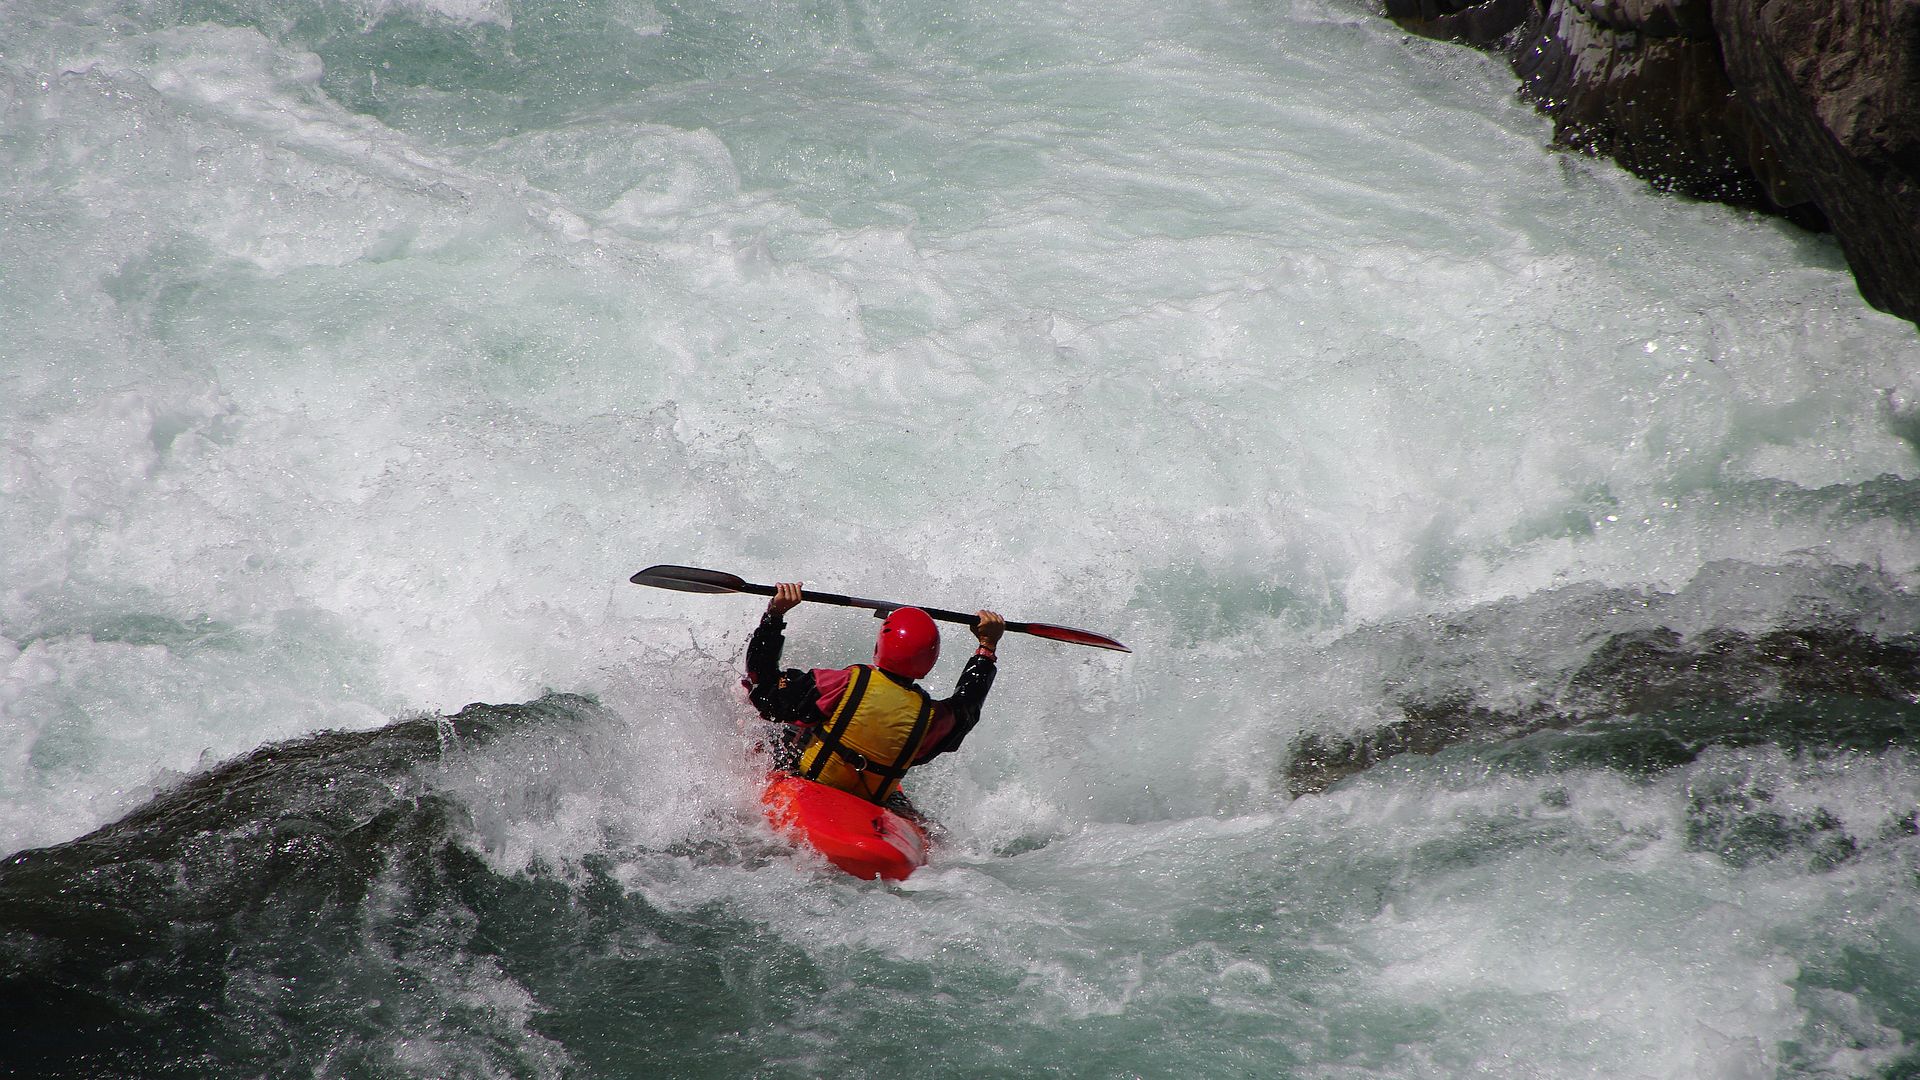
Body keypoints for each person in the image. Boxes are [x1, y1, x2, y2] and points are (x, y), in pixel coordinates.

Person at [744, 581, 1004, 814]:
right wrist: (986, 647)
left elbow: (764, 691)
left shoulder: (840, 685)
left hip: (811, 786)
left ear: (879, 646)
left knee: (776, 726)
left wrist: (774, 615)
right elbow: (967, 706)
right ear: (930, 660)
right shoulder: (932, 718)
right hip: (871, 803)